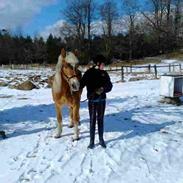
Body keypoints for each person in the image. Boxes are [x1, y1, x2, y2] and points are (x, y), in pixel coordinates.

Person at [80, 55, 113, 149]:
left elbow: (110, 85)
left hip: (102, 100)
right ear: (98, 64)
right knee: (92, 120)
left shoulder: (104, 73)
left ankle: (101, 139)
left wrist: (103, 89)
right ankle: (91, 141)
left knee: (101, 119)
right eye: (102, 64)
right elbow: (81, 84)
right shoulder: (88, 73)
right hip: (92, 101)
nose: (104, 66)